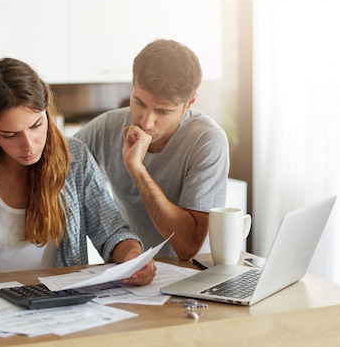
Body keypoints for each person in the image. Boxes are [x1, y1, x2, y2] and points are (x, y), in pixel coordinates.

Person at [0, 57, 156, 283]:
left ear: (47, 113)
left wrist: (133, 256)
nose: (29, 145)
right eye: (10, 134)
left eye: (36, 126)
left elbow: (111, 231)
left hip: (53, 307)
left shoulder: (75, 156)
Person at [74, 39, 230, 260]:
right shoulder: (106, 127)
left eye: (163, 112)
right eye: (139, 102)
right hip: (131, 269)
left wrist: (137, 169)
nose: (146, 122)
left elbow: (187, 247)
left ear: (190, 103)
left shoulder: (206, 140)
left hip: (189, 273)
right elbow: (57, 163)